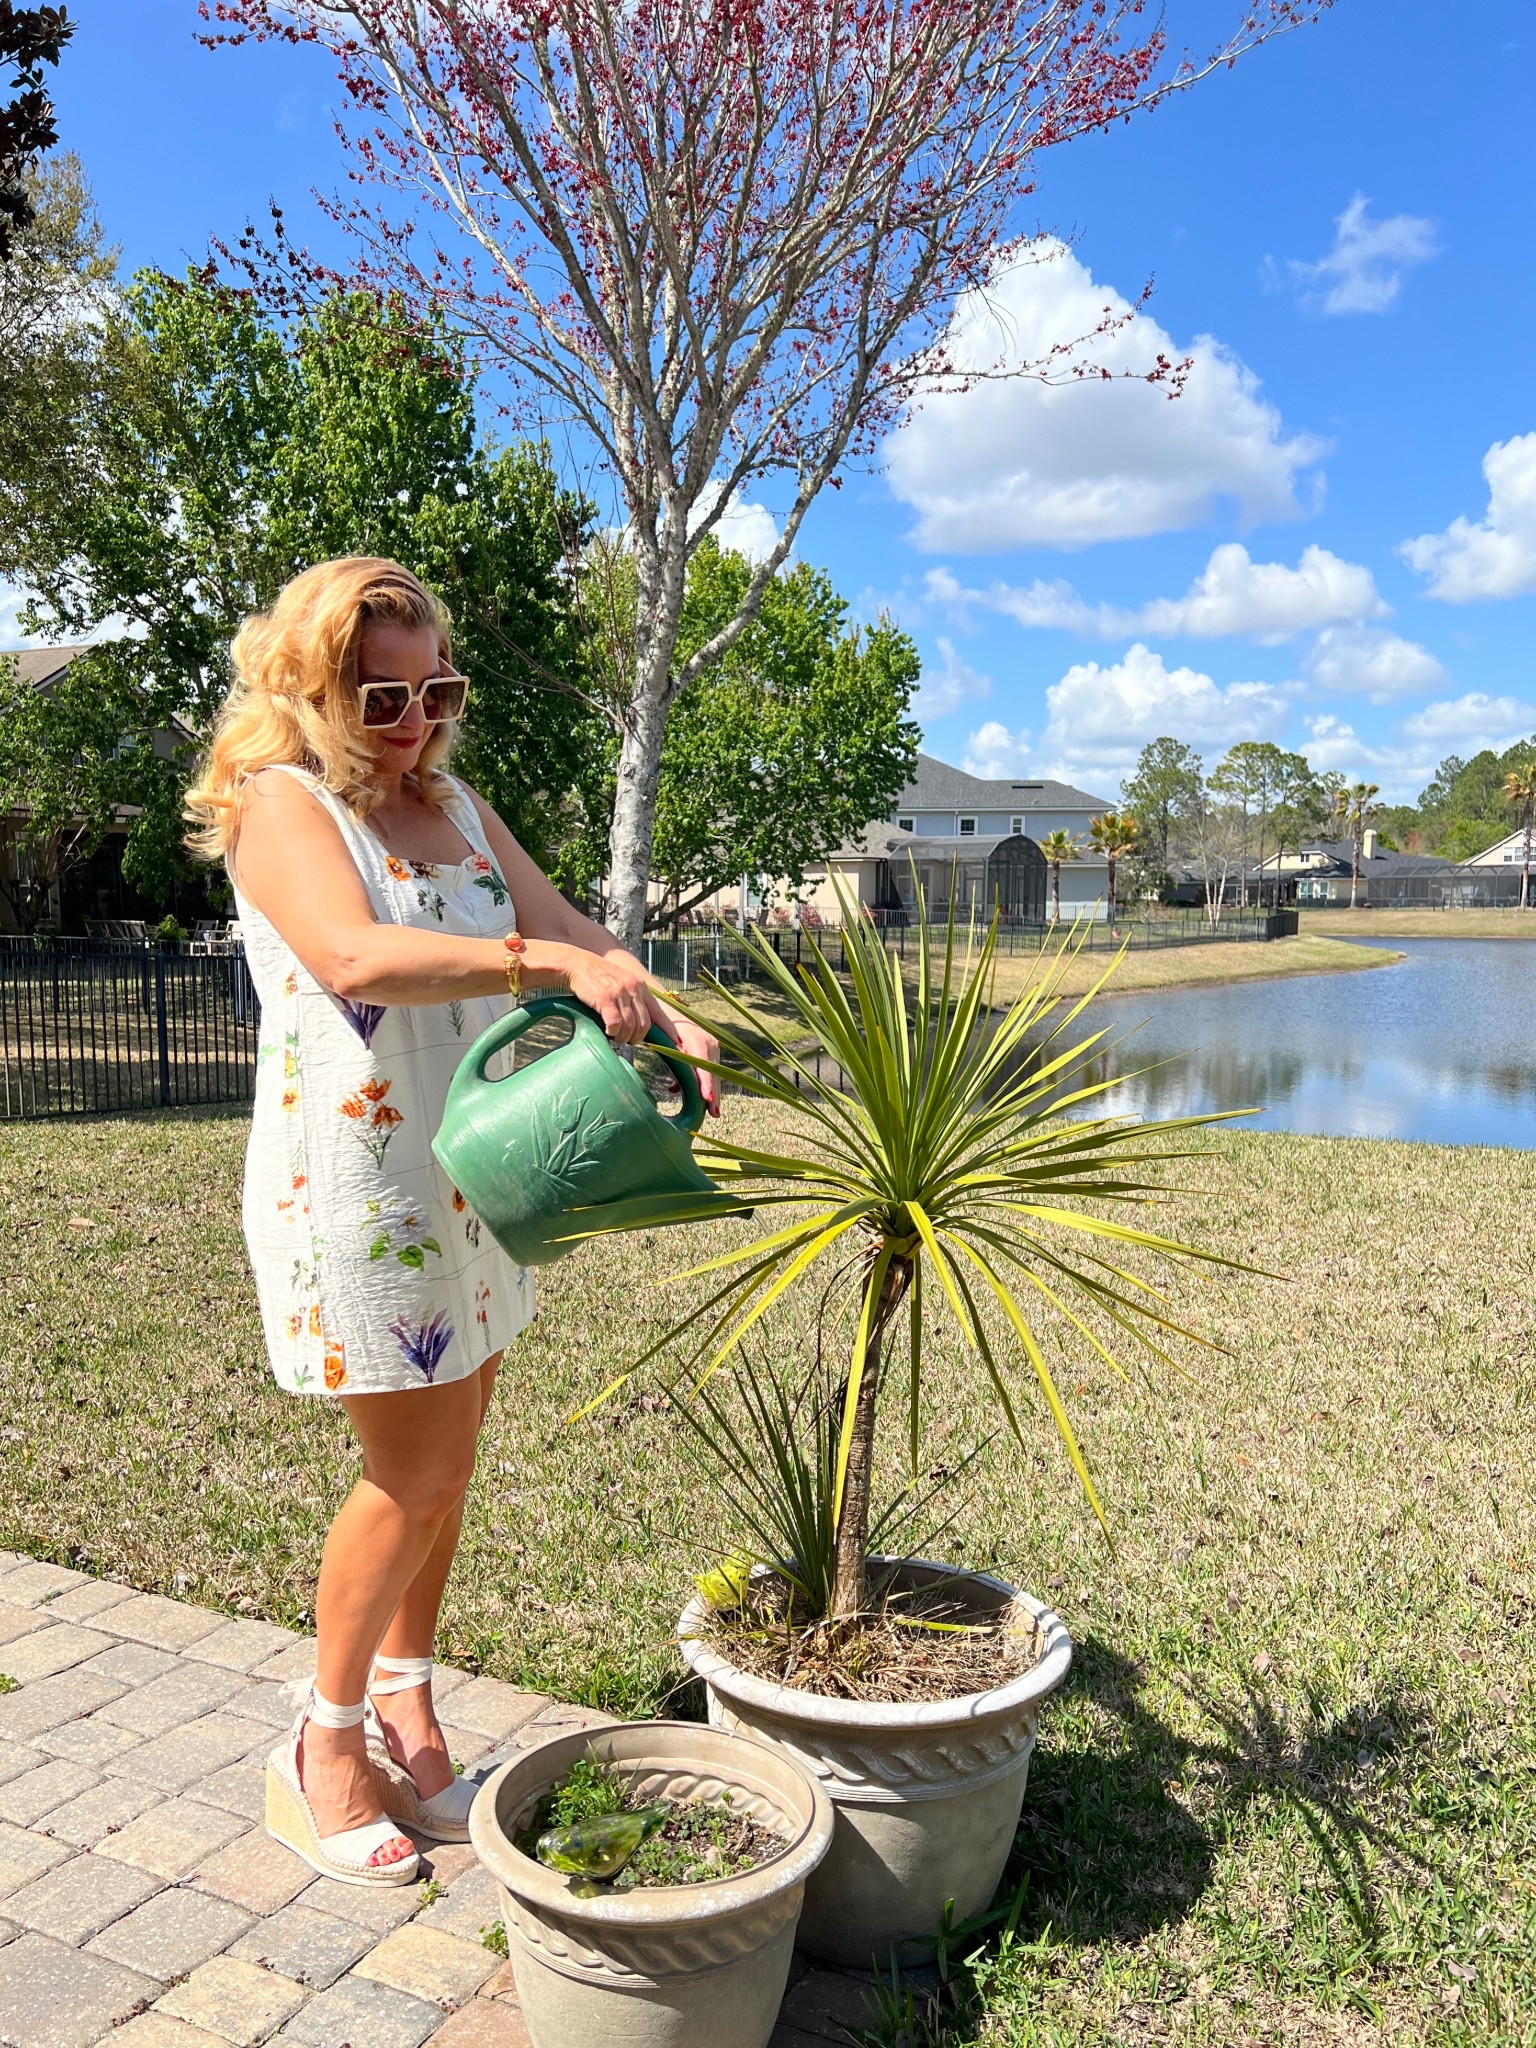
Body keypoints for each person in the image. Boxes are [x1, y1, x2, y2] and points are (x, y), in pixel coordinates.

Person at [185, 556, 719, 1886]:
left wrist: (663, 1005)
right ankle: (324, 1746)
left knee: (457, 1460)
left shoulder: (459, 806)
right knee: (407, 1472)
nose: (417, 720)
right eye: (383, 696)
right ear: (311, 689)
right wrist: (544, 965)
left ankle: (409, 1707)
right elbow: (358, 959)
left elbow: (567, 921)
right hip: (363, 1186)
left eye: (437, 690)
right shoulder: (280, 804)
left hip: (483, 1169)